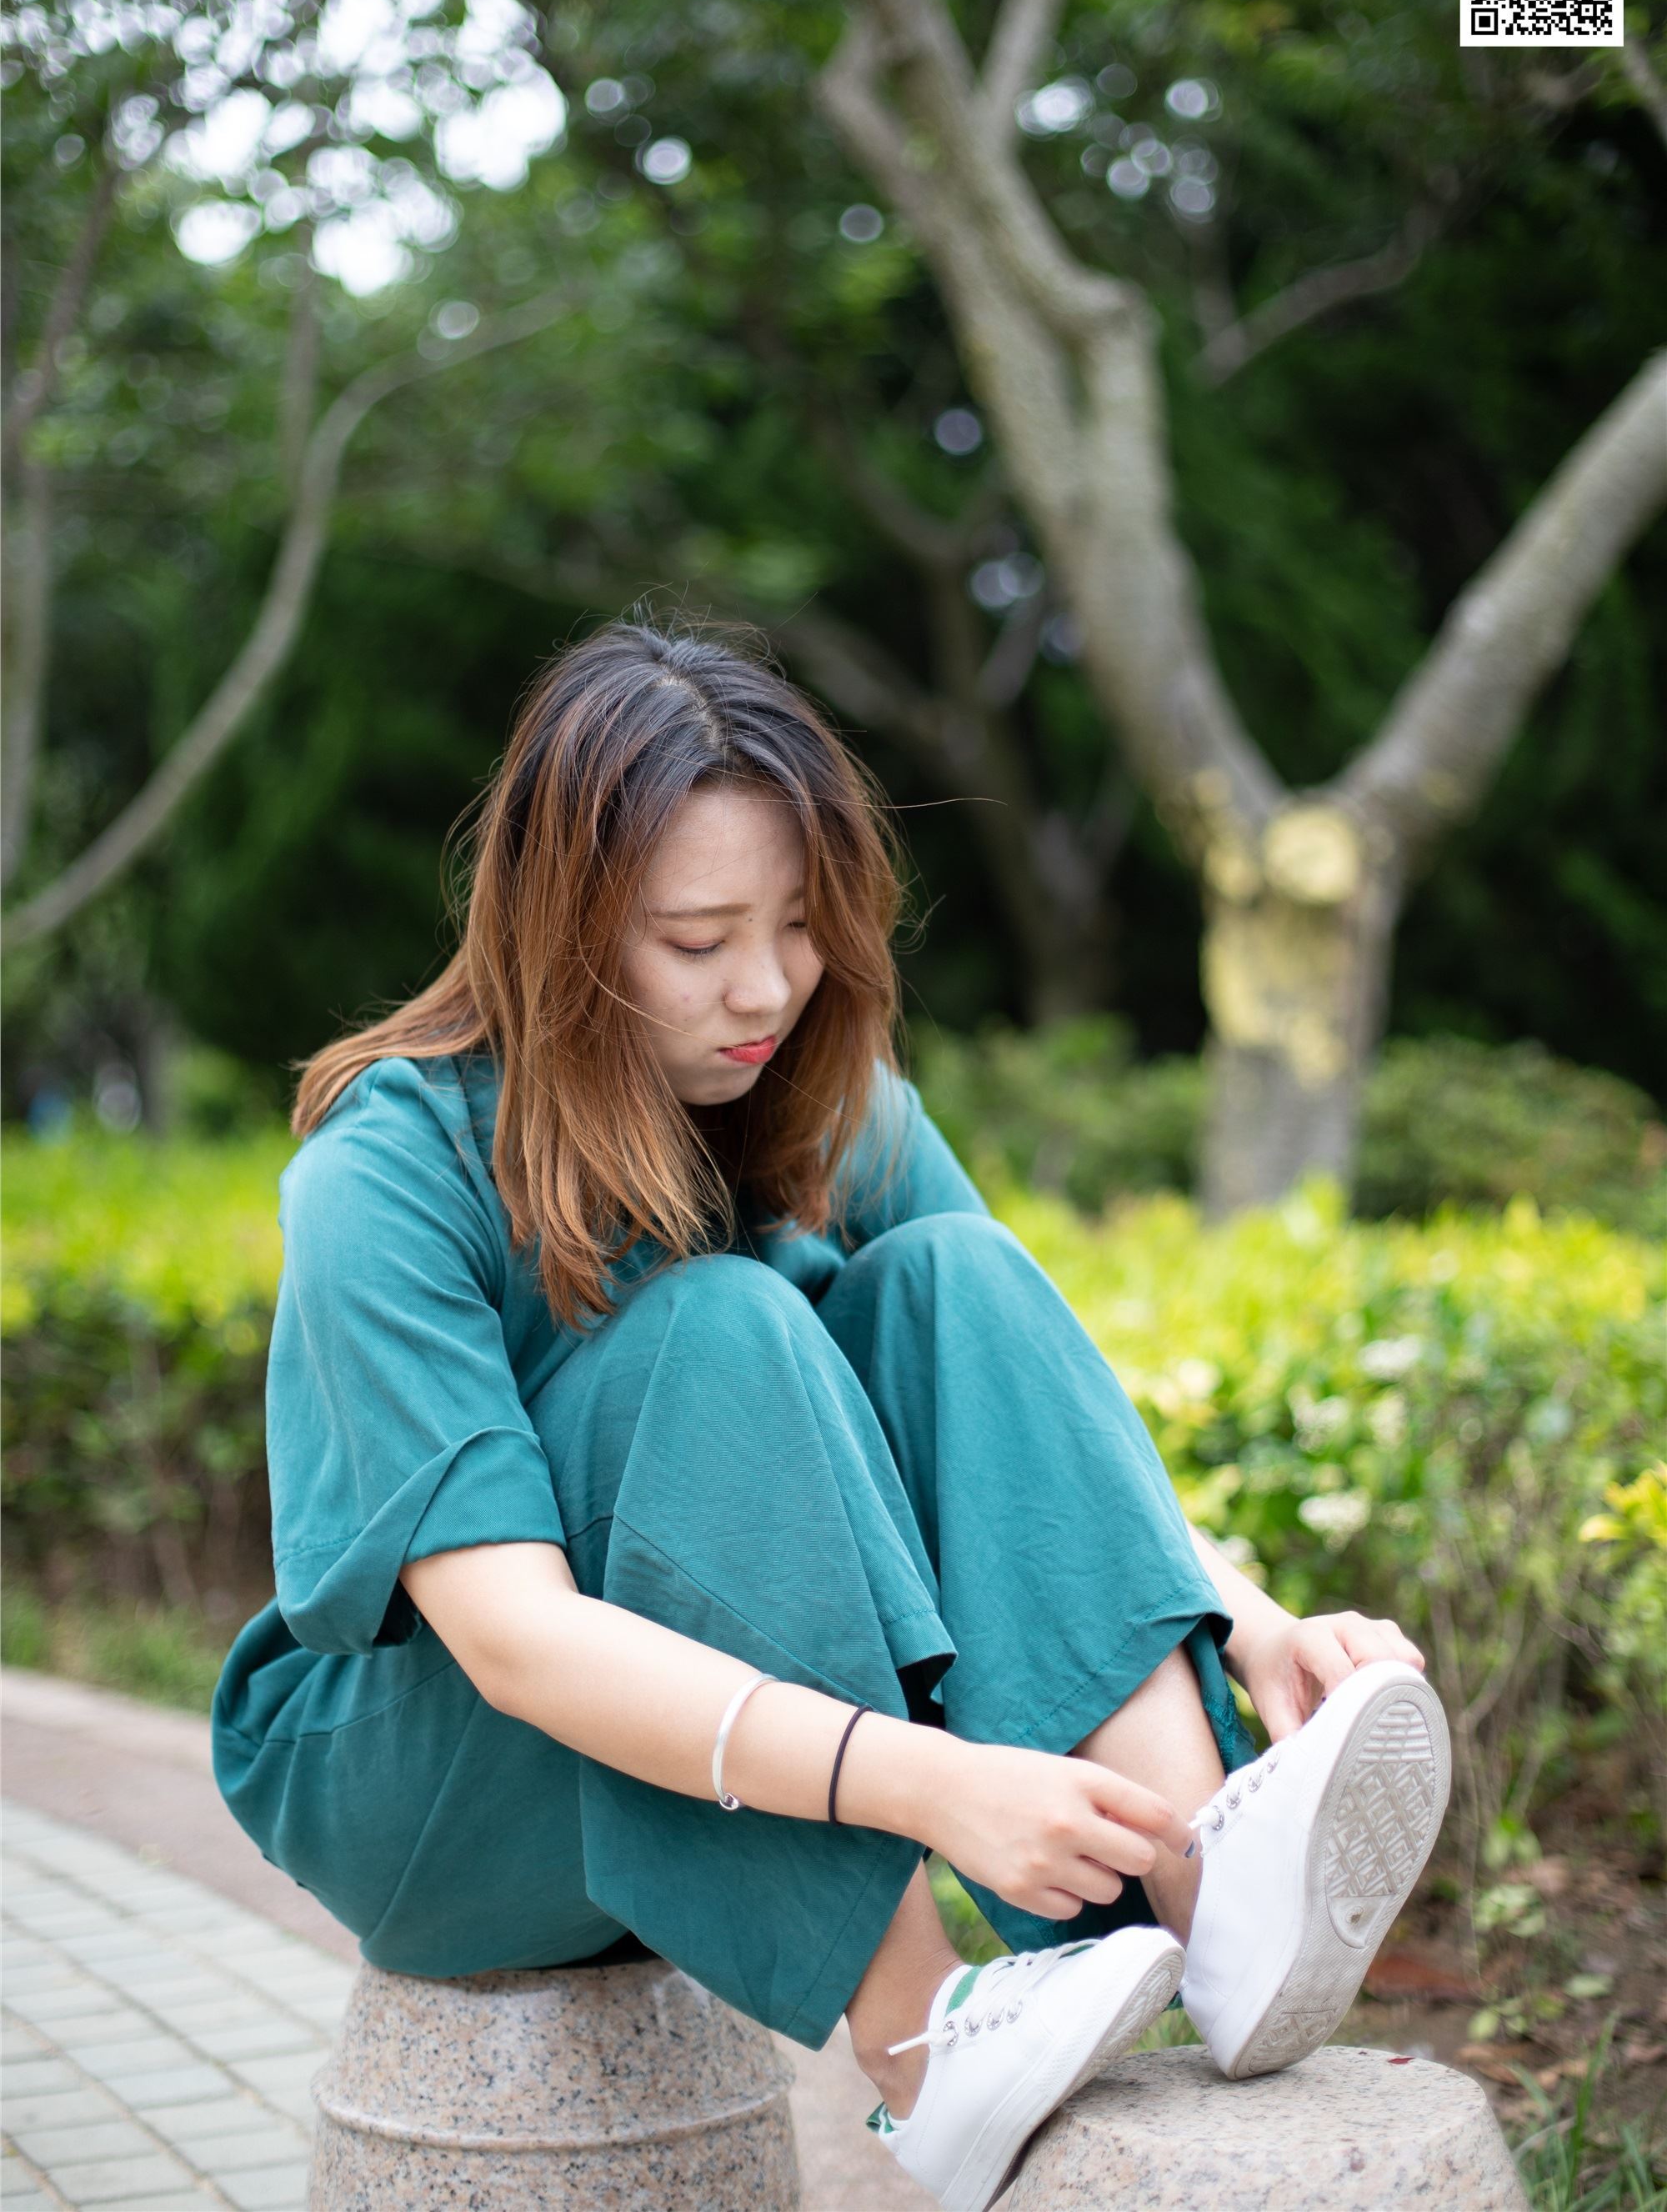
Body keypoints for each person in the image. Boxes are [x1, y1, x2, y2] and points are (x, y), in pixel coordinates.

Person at [213, 619, 1449, 2212]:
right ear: (558, 926)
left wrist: (1251, 1620)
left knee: (955, 1279)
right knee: (721, 1323)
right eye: (697, 937)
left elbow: (1013, 1426)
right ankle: (923, 2043)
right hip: (436, 1781)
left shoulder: (819, 1095)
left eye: (800, 923)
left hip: (720, 1739)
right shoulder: (386, 1172)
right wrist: (927, 1787)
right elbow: (514, 1642)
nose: (770, 986)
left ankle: (1205, 1880)